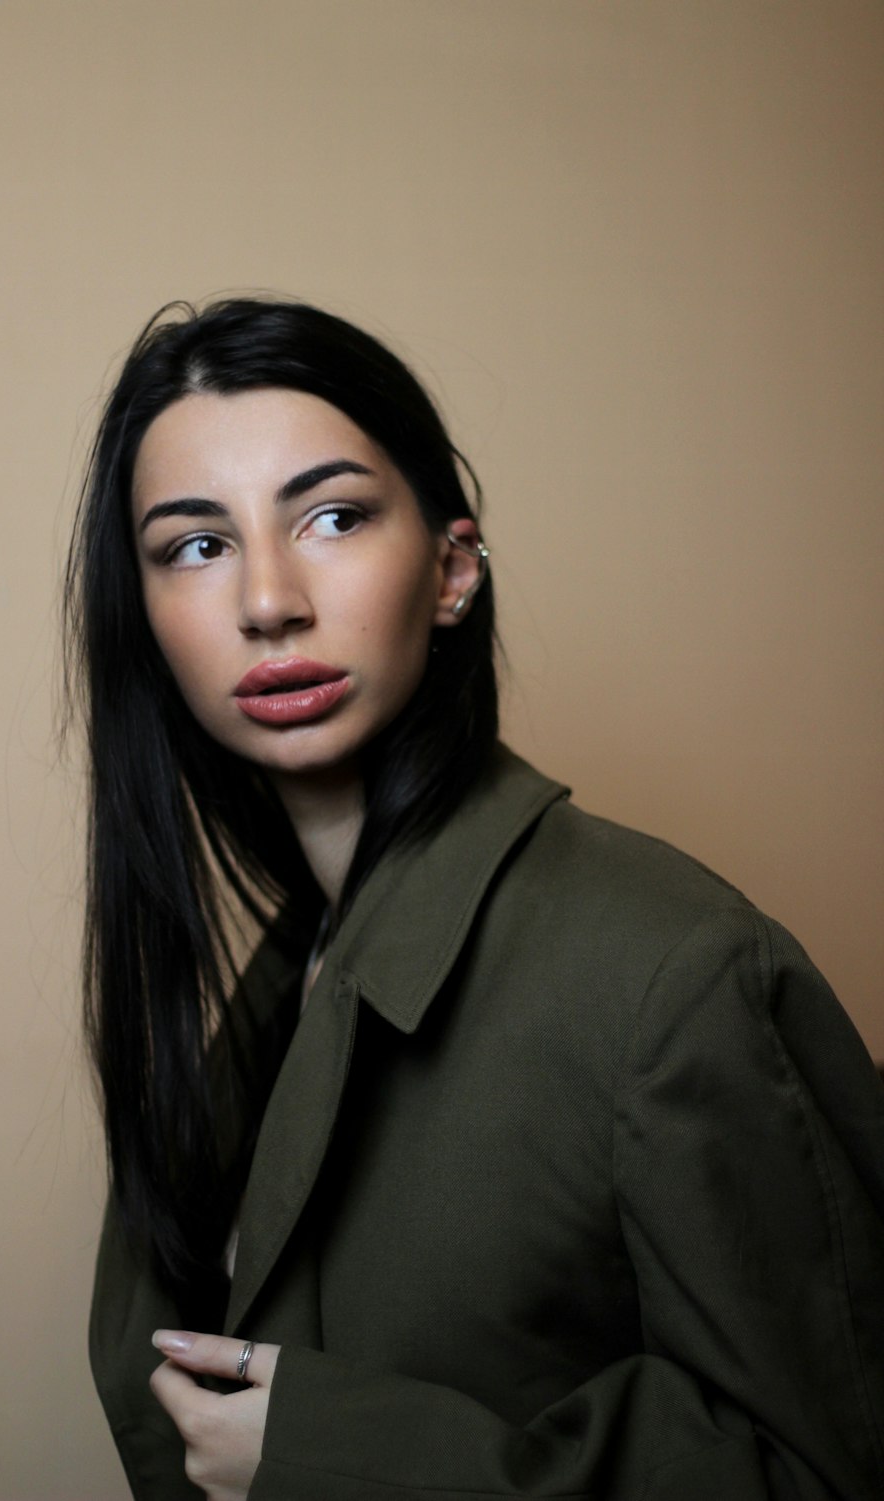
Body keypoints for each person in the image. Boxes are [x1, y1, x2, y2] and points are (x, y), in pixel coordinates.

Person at [66, 297, 884, 1501]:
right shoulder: (279, 985)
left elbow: (828, 1473)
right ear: (146, 621)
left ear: (452, 569)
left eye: (332, 516)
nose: (268, 599)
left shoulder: (673, 969)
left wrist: (342, 1455)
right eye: (197, 545)